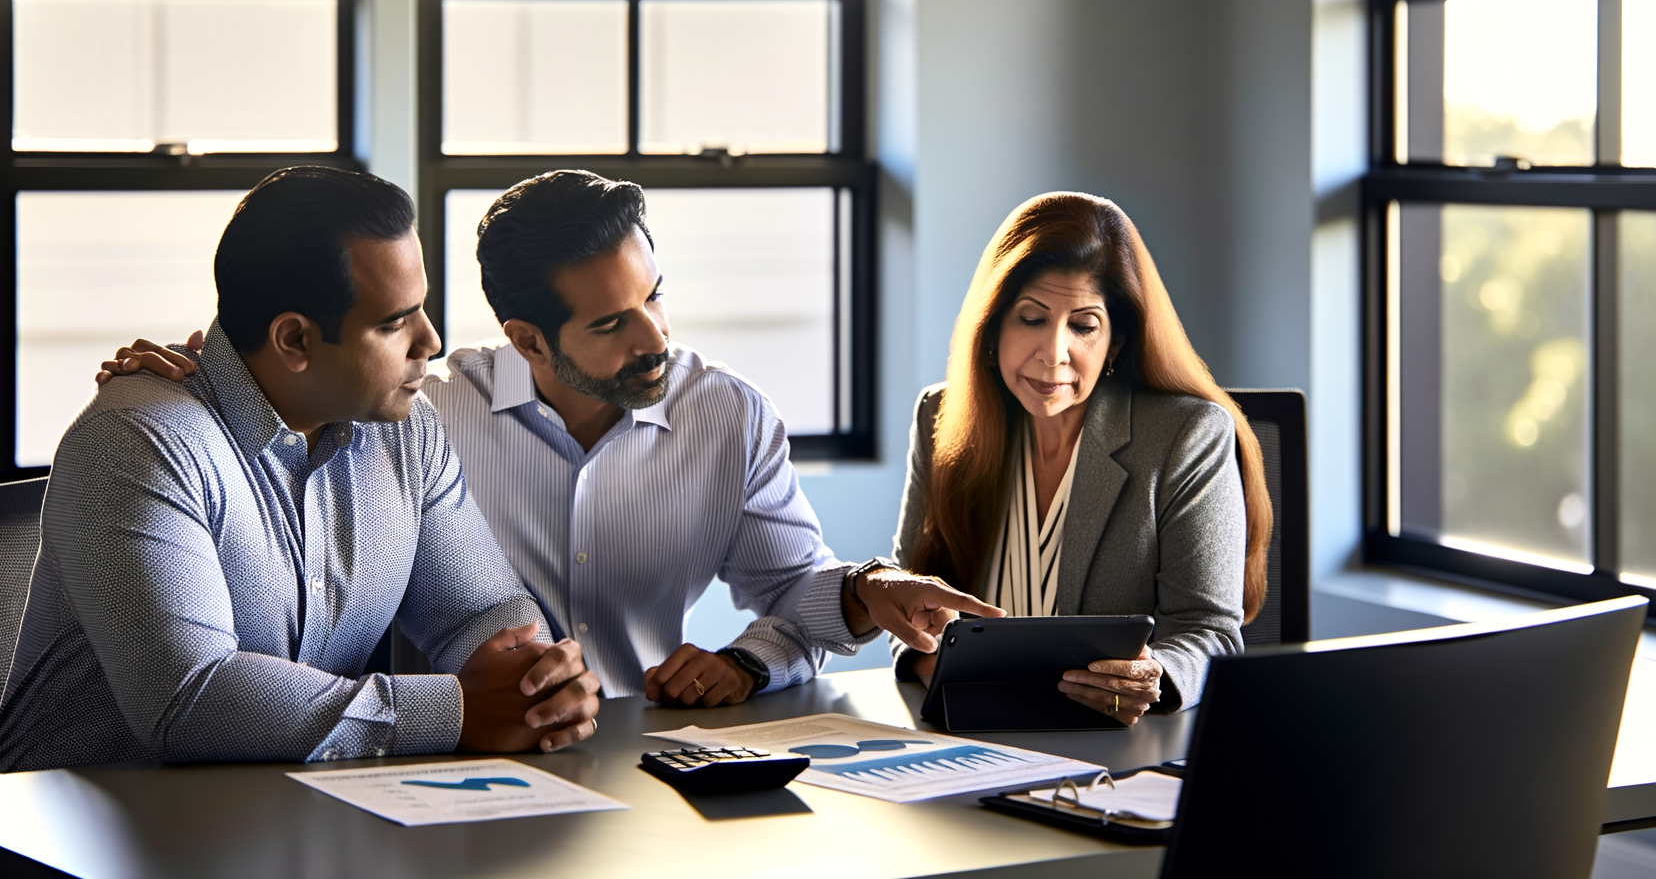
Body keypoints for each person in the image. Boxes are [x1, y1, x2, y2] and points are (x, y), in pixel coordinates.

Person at [100, 169, 1000, 708]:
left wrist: (795, 632)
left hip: (646, 761)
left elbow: (795, 590)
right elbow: (293, 374)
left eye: (654, 297)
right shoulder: (417, 418)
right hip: (441, 774)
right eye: (611, 324)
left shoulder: (728, 415)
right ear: (528, 339)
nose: (654, 338)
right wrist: (205, 372)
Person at [0, 166, 601, 773]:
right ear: (294, 341)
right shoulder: (140, 439)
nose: (432, 341)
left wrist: (535, 686)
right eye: (394, 323)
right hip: (82, 838)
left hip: (297, 818)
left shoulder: (404, 431)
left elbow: (481, 614)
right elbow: (189, 700)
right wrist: (456, 710)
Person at [889, 191, 1273, 725]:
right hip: (964, 738)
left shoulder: (1187, 435)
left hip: (1116, 749)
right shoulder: (941, 417)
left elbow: (1209, 633)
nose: (1053, 353)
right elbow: (909, 599)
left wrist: (1154, 674)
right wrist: (926, 657)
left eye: (1084, 326)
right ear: (993, 327)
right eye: (1031, 318)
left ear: (1114, 343)